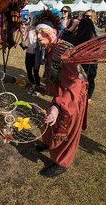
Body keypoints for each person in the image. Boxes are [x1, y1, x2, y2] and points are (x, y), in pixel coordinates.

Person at [33, 9, 88, 177]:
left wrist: (58, 106)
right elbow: (54, 75)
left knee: (65, 130)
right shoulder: (50, 49)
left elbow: (75, 82)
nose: (39, 37)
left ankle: (62, 163)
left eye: (42, 32)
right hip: (61, 94)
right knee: (49, 122)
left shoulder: (65, 50)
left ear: (54, 33)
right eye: (37, 33)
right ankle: (48, 142)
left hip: (73, 96)